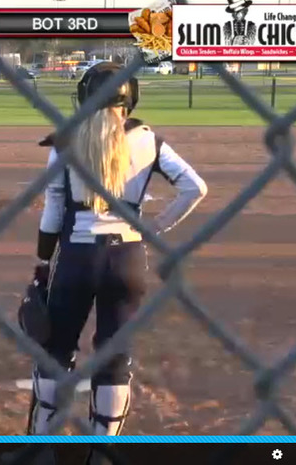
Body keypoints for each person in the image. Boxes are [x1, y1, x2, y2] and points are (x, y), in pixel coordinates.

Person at [25, 62, 207, 438]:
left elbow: (53, 212)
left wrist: (43, 261)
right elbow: (195, 187)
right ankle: (101, 450)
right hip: (127, 259)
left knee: (56, 351)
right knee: (114, 357)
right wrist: (154, 227)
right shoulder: (149, 141)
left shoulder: (66, 142)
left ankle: (41, 447)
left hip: (76, 259)